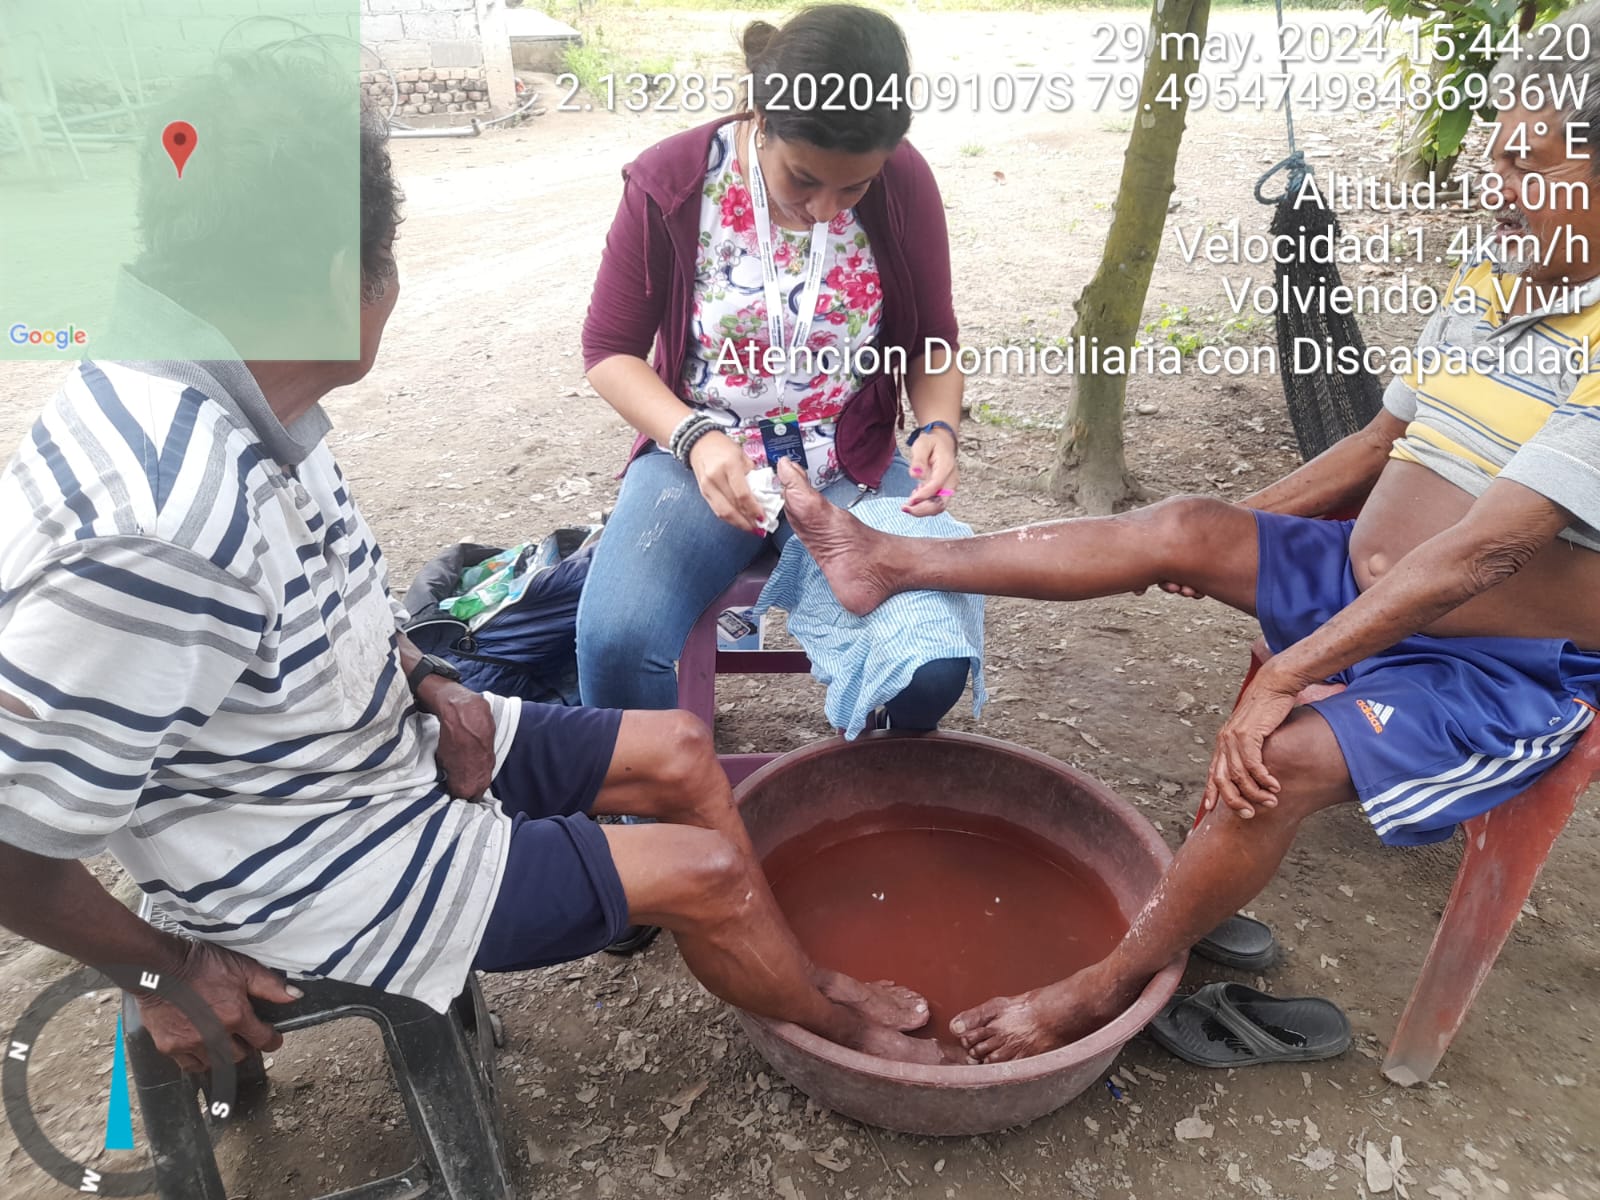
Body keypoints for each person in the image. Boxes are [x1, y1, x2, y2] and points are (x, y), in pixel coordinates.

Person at [0, 60, 949, 1072]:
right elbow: (13, 834)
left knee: (679, 748)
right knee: (704, 869)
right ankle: (833, 1025)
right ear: (345, 277)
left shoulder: (243, 398)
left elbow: (328, 606)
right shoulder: (156, 525)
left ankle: (780, 965)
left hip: (374, 749)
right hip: (325, 854)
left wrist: (428, 678)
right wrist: (163, 969)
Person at [773, 10, 1600, 1063]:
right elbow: (1375, 445)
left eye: (1528, 165)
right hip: (1362, 578)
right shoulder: (1497, 272)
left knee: (1278, 761)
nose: (1495, 186)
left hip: (1501, 665)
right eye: (1496, 157)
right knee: (1181, 524)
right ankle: (888, 559)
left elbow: (1487, 553)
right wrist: (1231, 532)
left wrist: (1286, 672)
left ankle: (1103, 985)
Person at [577, 3, 971, 733]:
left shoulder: (903, 182)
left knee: (931, 664)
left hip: (849, 458)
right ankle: (658, 800)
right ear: (761, 118)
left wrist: (938, 427)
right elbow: (609, 351)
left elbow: (932, 342)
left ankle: (869, 784)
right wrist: (693, 437)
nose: (825, 210)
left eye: (853, 189)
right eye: (803, 179)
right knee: (617, 643)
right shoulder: (673, 182)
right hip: (699, 453)